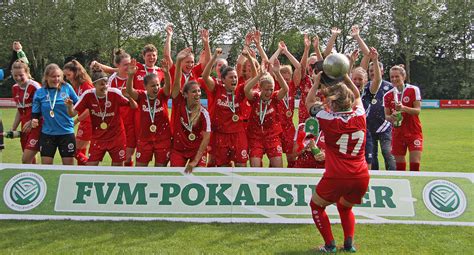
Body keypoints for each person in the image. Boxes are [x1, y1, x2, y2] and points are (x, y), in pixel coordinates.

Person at [306, 72, 369, 253]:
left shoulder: (327, 118)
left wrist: (316, 82)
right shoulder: (360, 114)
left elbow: (309, 104)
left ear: (333, 102)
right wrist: (345, 76)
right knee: (345, 206)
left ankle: (329, 245)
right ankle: (349, 244)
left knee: (316, 205)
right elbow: (357, 95)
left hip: (338, 175)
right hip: (361, 175)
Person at [67, 69, 133, 166]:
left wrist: (129, 96)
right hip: (98, 138)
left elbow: (132, 105)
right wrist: (69, 106)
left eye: (106, 83)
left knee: (118, 168)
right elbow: (72, 114)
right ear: (94, 85)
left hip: (116, 137)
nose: (105, 86)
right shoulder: (88, 95)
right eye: (101, 84)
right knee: (91, 166)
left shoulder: (114, 92)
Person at [202, 48, 248, 167]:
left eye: (235, 77)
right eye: (231, 77)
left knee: (241, 166)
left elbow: (253, 76)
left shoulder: (241, 89)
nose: (234, 80)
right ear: (223, 79)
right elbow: (205, 75)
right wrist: (213, 58)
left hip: (237, 133)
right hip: (220, 133)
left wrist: (250, 58)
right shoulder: (216, 88)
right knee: (222, 166)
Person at [169, 48, 211, 173]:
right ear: (185, 94)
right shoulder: (179, 101)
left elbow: (206, 138)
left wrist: (195, 160)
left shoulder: (204, 113)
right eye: (194, 92)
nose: (198, 94)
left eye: (199, 91)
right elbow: (176, 85)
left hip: (197, 149)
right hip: (179, 149)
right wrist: (178, 61)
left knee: (200, 178)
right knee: (176, 178)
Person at [126, 58, 172, 167]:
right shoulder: (141, 96)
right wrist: (131, 76)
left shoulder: (162, 95)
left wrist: (166, 73)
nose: (156, 88)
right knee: (140, 170)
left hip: (162, 139)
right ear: (145, 86)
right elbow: (129, 90)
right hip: (144, 139)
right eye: (152, 86)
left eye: (157, 85)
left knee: (160, 170)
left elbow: (168, 87)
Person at [244, 59, 289, 167]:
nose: (269, 92)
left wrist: (277, 73)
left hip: (272, 137)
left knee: (277, 167)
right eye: (266, 89)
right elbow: (246, 89)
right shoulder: (255, 98)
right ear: (260, 88)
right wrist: (259, 75)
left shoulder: (274, 98)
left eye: (271, 89)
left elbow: (285, 89)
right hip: (255, 138)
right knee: (255, 167)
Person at [31, 64, 79, 165]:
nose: (56, 79)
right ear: (46, 77)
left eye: (58, 76)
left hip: (66, 133)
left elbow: (79, 104)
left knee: (68, 167)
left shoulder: (67, 88)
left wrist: (71, 108)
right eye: (53, 76)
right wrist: (34, 119)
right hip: (48, 134)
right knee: (46, 167)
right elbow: (35, 111)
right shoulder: (40, 92)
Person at [383, 65, 423, 171]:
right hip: (397, 134)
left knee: (415, 164)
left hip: (413, 131)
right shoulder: (387, 95)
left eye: (397, 76)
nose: (394, 79)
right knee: (400, 167)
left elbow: (417, 111)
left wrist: (403, 108)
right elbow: (386, 116)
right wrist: (391, 117)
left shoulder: (413, 90)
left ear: (403, 77)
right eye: (392, 77)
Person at [63, 60, 94, 165]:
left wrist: (76, 120)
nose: (67, 78)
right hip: (84, 122)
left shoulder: (86, 86)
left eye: (68, 75)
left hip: (89, 122)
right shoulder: (76, 86)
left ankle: (91, 166)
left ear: (76, 72)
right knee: (81, 150)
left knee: (74, 150)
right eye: (65, 76)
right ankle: (84, 172)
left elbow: (90, 108)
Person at [10, 60, 41, 163]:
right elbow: (20, 110)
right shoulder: (14, 88)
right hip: (25, 127)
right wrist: (13, 127)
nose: (18, 78)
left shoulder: (35, 86)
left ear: (27, 73)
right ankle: (35, 176)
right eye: (15, 75)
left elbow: (45, 107)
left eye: (21, 75)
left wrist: (33, 120)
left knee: (26, 159)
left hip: (38, 126)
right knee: (30, 160)